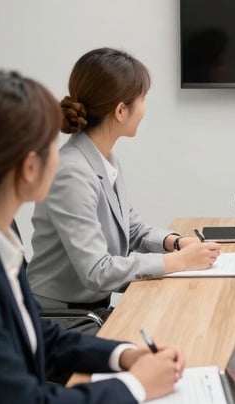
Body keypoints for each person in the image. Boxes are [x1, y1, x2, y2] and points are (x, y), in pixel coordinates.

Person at [0, 69, 184, 402]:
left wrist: (124, 354)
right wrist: (136, 385)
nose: (62, 155)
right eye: (51, 147)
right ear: (30, 168)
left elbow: (36, 335)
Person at [27, 48, 221, 319]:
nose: (143, 109)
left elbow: (133, 230)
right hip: (62, 319)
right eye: (142, 99)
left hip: (91, 309)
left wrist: (176, 243)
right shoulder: (71, 173)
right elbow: (98, 271)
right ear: (120, 110)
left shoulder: (103, 159)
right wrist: (175, 262)